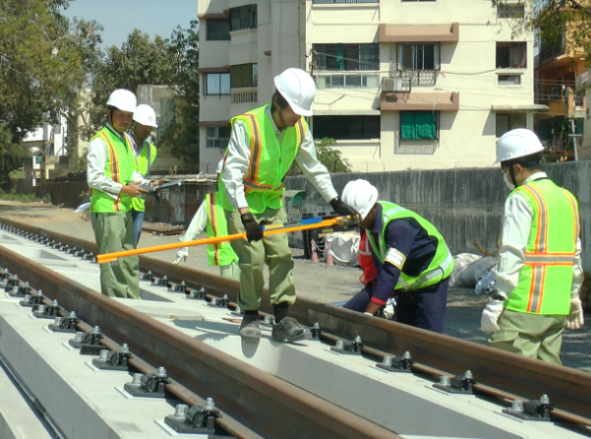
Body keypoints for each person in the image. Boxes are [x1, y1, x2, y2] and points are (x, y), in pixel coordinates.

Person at [218, 68, 354, 342]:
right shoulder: (248, 125)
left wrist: (335, 200)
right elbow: (232, 174)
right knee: (253, 258)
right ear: (278, 101)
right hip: (239, 199)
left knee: (281, 255)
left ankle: (282, 318)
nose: (298, 117)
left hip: (270, 199)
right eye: (294, 110)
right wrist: (245, 217)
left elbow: (313, 167)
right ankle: (250, 314)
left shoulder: (299, 127)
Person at [481, 129, 584, 364]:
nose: (505, 177)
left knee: (510, 380)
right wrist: (573, 296)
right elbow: (574, 254)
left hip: (522, 308)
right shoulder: (567, 197)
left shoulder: (522, 198)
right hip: (556, 309)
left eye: (505, 171)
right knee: (547, 382)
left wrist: (497, 299)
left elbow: (512, 253)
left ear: (517, 168)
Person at [341, 179, 453, 333]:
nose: (357, 223)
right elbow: (380, 267)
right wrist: (382, 298)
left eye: (359, 218)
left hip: (432, 277)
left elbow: (390, 271)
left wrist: (369, 312)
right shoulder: (371, 225)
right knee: (400, 332)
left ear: (373, 208)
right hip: (409, 281)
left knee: (429, 335)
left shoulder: (397, 227)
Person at [87, 89, 149, 298]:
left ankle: (133, 304)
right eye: (121, 115)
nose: (125, 120)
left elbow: (131, 172)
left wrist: (149, 184)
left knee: (130, 261)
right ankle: (114, 308)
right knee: (112, 263)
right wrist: (124, 189)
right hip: (108, 211)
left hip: (124, 210)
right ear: (109, 114)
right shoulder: (100, 141)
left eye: (129, 116)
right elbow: (93, 178)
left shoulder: (124, 141)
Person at [172, 160, 240, 281]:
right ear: (219, 177)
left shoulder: (246, 198)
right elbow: (196, 225)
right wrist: (185, 244)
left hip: (245, 256)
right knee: (231, 292)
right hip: (226, 257)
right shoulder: (211, 201)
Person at [127, 104, 163, 246]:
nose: (148, 129)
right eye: (144, 125)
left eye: (150, 126)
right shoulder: (121, 144)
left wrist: (151, 186)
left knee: (131, 248)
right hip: (121, 204)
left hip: (138, 205)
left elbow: (142, 176)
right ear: (134, 123)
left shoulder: (151, 150)